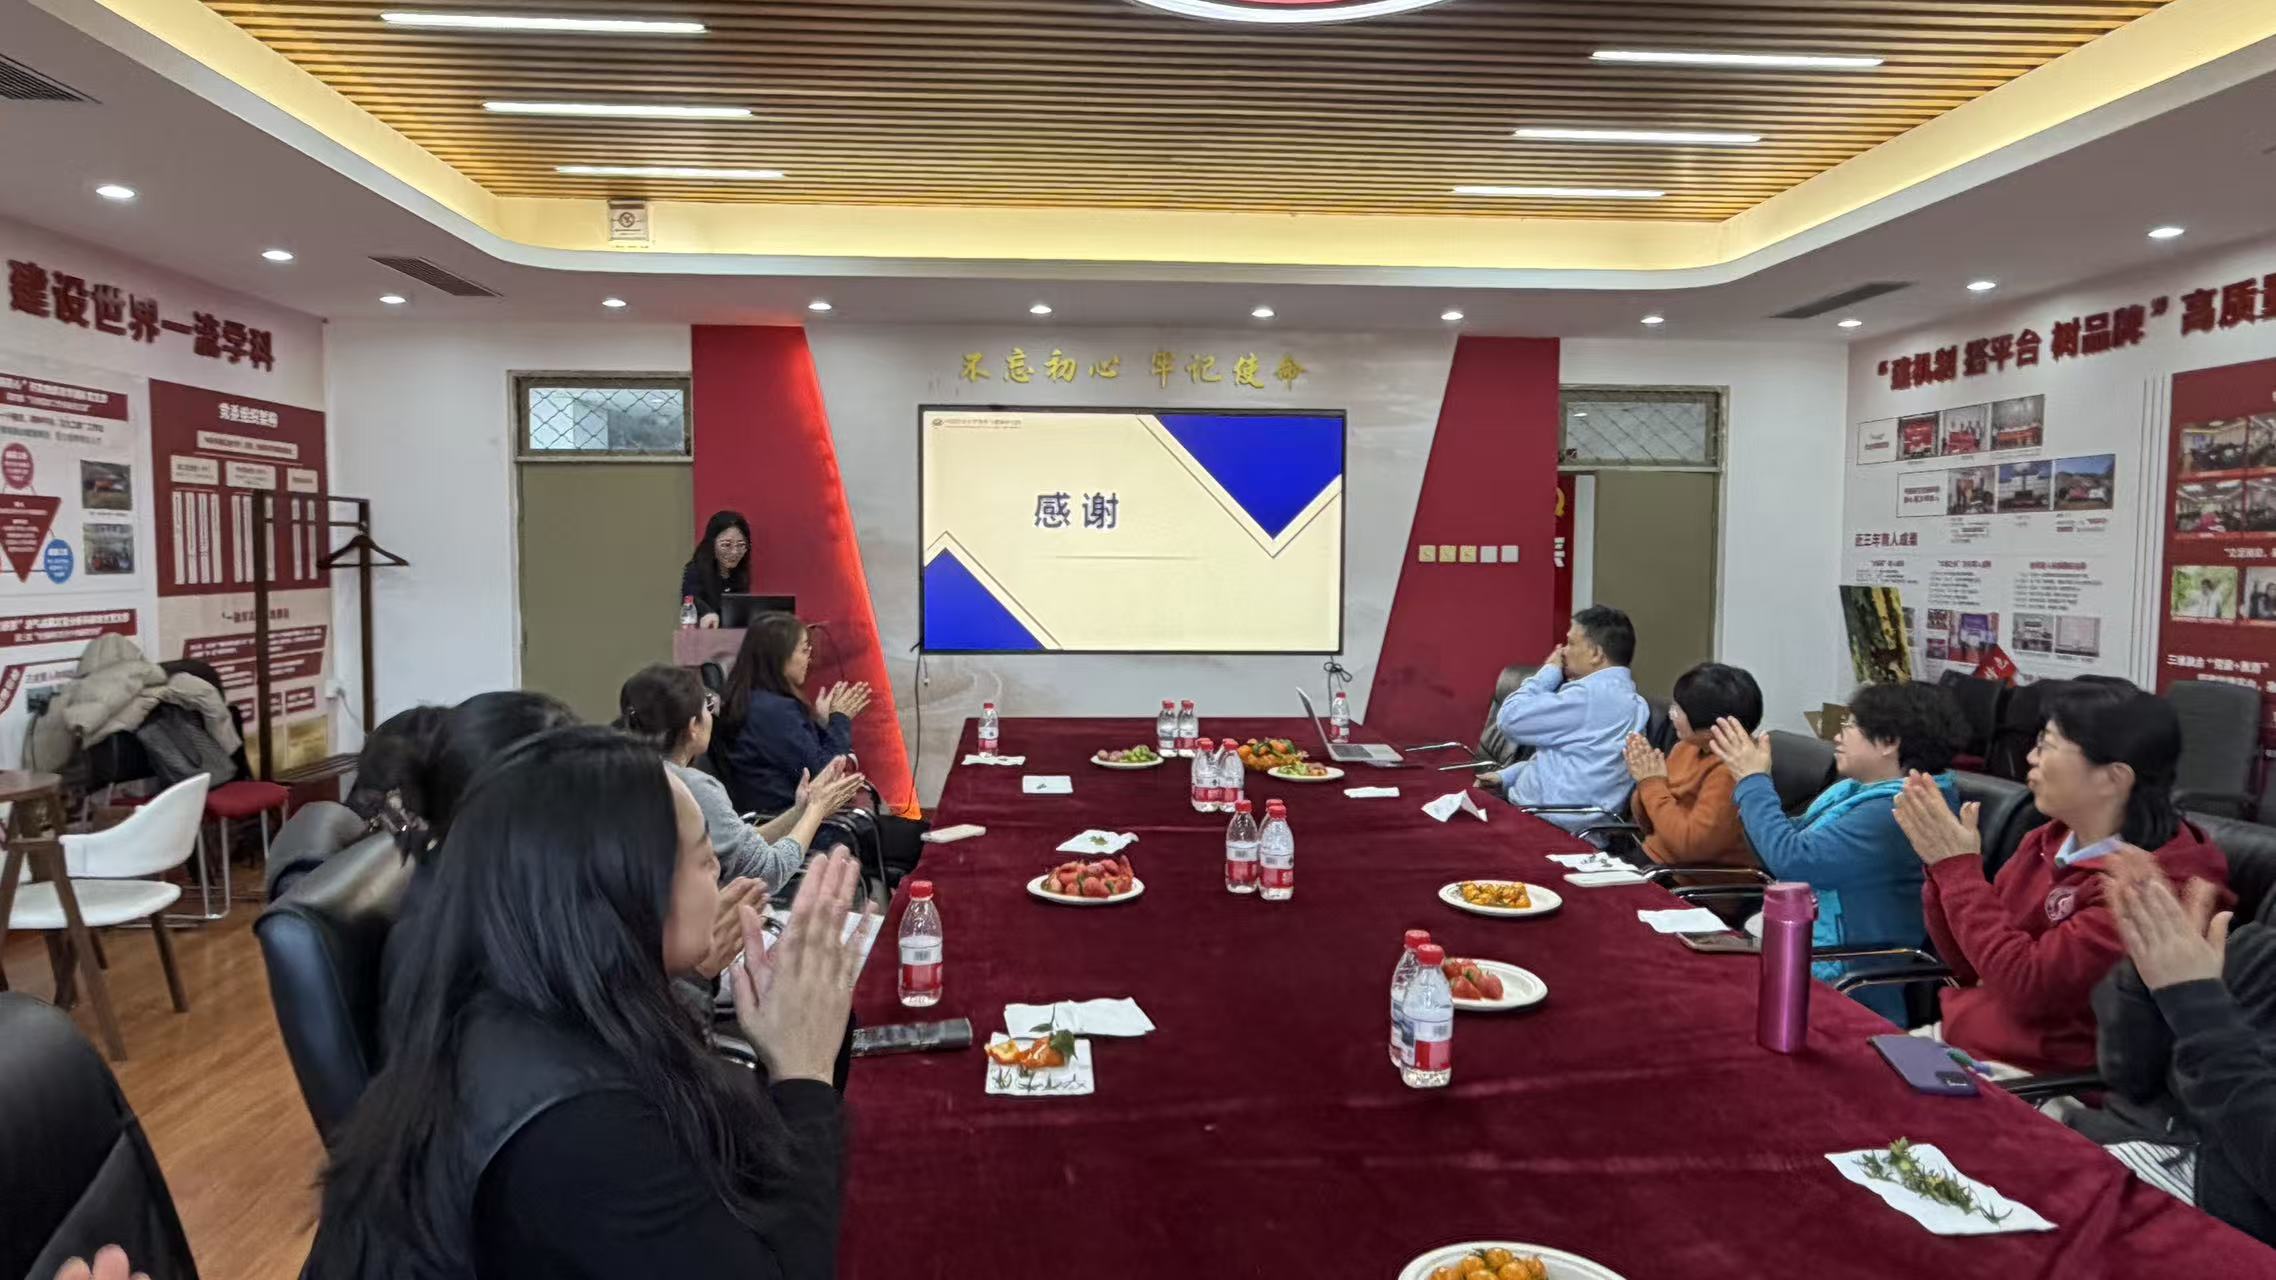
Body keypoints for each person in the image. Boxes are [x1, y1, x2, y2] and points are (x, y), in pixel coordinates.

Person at [305, 726, 872, 1280]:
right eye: (703, 857)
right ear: (626, 888)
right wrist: (804, 1071)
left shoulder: (536, 999)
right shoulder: (578, 1128)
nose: (719, 873)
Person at [1891, 683, 2231, 1073]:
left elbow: (2028, 989)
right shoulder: (2046, 839)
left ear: (2113, 778)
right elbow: (1969, 963)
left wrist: (1957, 869)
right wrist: (1942, 868)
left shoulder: (2149, 885)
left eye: (2047, 745)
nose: (2030, 757)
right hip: (1968, 1041)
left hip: (2038, 1076)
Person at [1709, 681, 1965, 1022]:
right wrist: (1751, 785)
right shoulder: (1860, 791)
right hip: (1812, 954)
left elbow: (1793, 860)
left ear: (1889, 742)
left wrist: (1753, 781)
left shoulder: (1897, 810)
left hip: (1850, 984)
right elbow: (1777, 848)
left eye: (1850, 725)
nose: (1837, 736)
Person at [2091, 859, 2276, 1243]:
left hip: (2211, 1223)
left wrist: (2197, 1007)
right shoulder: (2255, 950)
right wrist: (2146, 972)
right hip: (2116, 1148)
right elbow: (2129, 1078)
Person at [619, 663, 869, 891]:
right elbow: (769, 872)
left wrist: (800, 811)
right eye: (707, 708)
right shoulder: (692, 789)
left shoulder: (625, 776)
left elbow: (738, 845)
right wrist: (817, 810)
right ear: (693, 726)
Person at [1476, 606, 1648, 835]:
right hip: (1538, 818)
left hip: (1545, 829)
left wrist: (1548, 672)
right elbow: (1560, 762)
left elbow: (1509, 719)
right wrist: (1504, 777)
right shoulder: (1631, 703)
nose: (1563, 652)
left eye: (1571, 643)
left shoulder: (1588, 698)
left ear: (1596, 654)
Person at [717, 613, 873, 817]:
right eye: (804, 650)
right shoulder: (774, 712)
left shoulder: (756, 701)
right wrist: (840, 719)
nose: (810, 658)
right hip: (788, 822)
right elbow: (824, 773)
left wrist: (821, 723)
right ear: (779, 657)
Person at [1624, 662, 1762, 870]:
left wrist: (1651, 784)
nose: (1672, 714)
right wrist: (1644, 780)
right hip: (1653, 858)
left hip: (1689, 877)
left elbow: (1691, 847)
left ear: (1713, 729)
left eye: (1679, 710)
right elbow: (1649, 825)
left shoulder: (1733, 770)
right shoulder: (1686, 747)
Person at [681, 510, 753, 629]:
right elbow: (691, 599)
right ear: (712, 543)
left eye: (741, 545)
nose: (734, 552)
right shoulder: (695, 570)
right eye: (726, 545)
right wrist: (707, 614)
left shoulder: (741, 573)